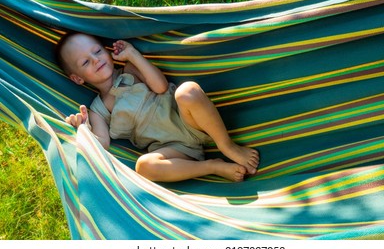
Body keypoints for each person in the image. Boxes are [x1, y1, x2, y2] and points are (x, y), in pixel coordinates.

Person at [56, 32, 259, 182]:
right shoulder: (98, 110)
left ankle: (226, 145)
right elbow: (102, 145)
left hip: (188, 120)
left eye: (98, 51)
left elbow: (160, 87)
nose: (96, 59)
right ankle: (210, 166)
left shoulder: (130, 70)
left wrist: (133, 55)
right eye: (85, 62)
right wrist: (82, 129)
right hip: (174, 149)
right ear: (77, 78)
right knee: (144, 166)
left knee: (187, 91)